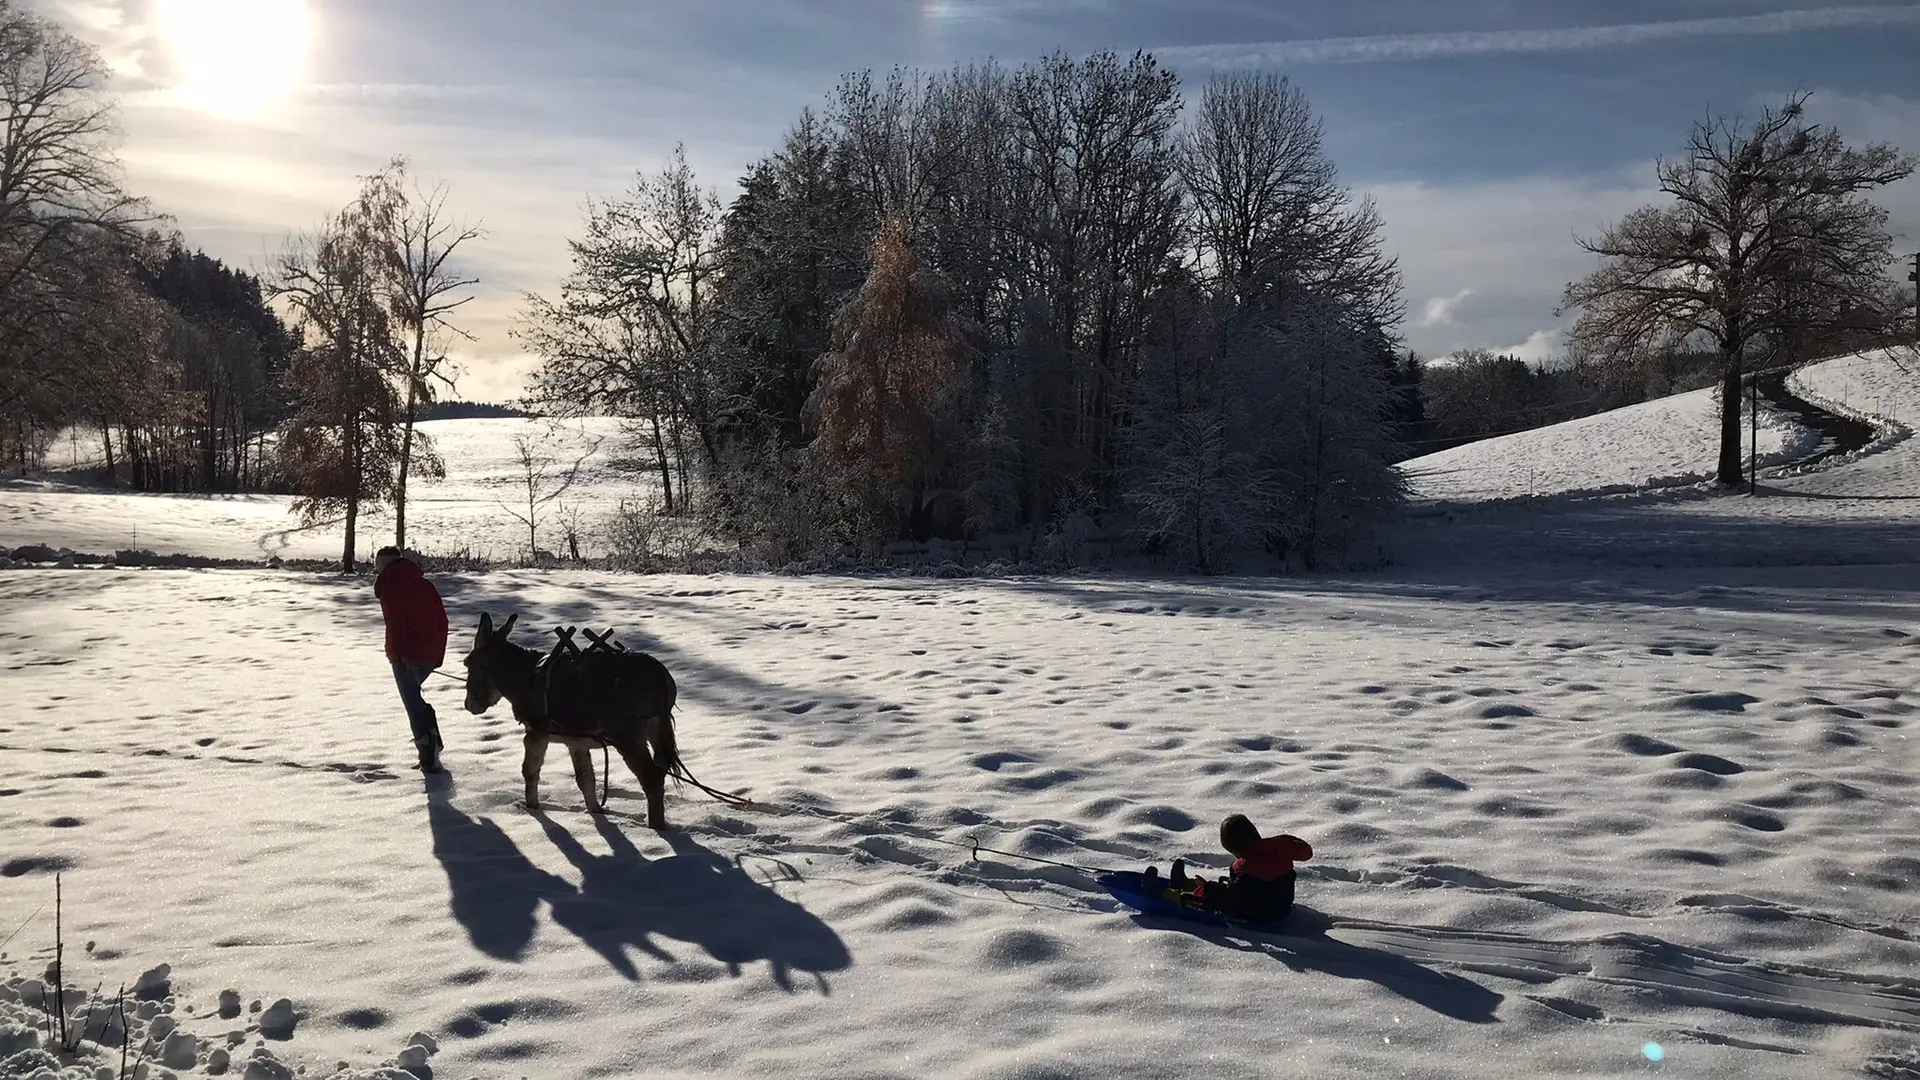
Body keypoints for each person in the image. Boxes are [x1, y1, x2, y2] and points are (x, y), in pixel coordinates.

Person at [1143, 814, 1312, 923]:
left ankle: (1166, 894)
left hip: (1259, 914)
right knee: (1215, 890)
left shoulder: (1250, 869)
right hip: (1278, 906)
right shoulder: (1276, 851)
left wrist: (1210, 889)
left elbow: (1234, 898)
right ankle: (1187, 884)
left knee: (1211, 897)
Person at [373, 546, 450, 773]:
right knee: (414, 698)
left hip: (407, 655)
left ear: (384, 564)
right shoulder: (424, 584)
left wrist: (396, 655)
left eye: (377, 564)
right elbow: (443, 621)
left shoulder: (391, 586)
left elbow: (395, 625)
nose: (376, 569)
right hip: (429, 652)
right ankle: (433, 744)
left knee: (412, 703)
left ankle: (429, 756)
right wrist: (438, 655)